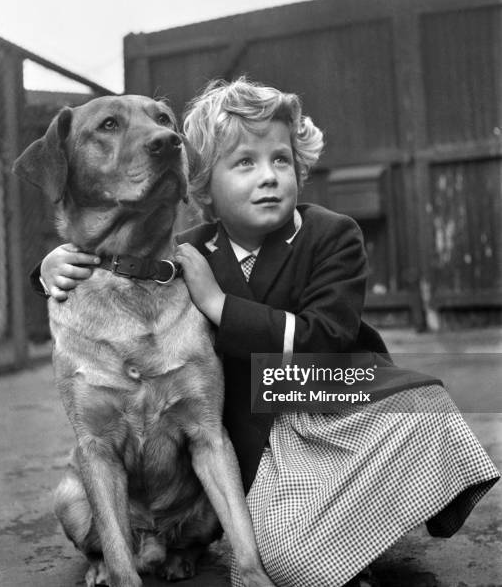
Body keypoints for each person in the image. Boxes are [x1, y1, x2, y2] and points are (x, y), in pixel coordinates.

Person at [33, 78, 499, 587]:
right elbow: (119, 262)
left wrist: (217, 304)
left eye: (281, 161)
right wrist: (48, 267)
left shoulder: (333, 234)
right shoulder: (187, 251)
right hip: (266, 438)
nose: (268, 178)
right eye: (245, 164)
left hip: (334, 398)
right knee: (288, 558)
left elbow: (326, 337)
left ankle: (360, 520)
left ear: (301, 169)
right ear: (203, 186)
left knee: (424, 412)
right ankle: (329, 534)